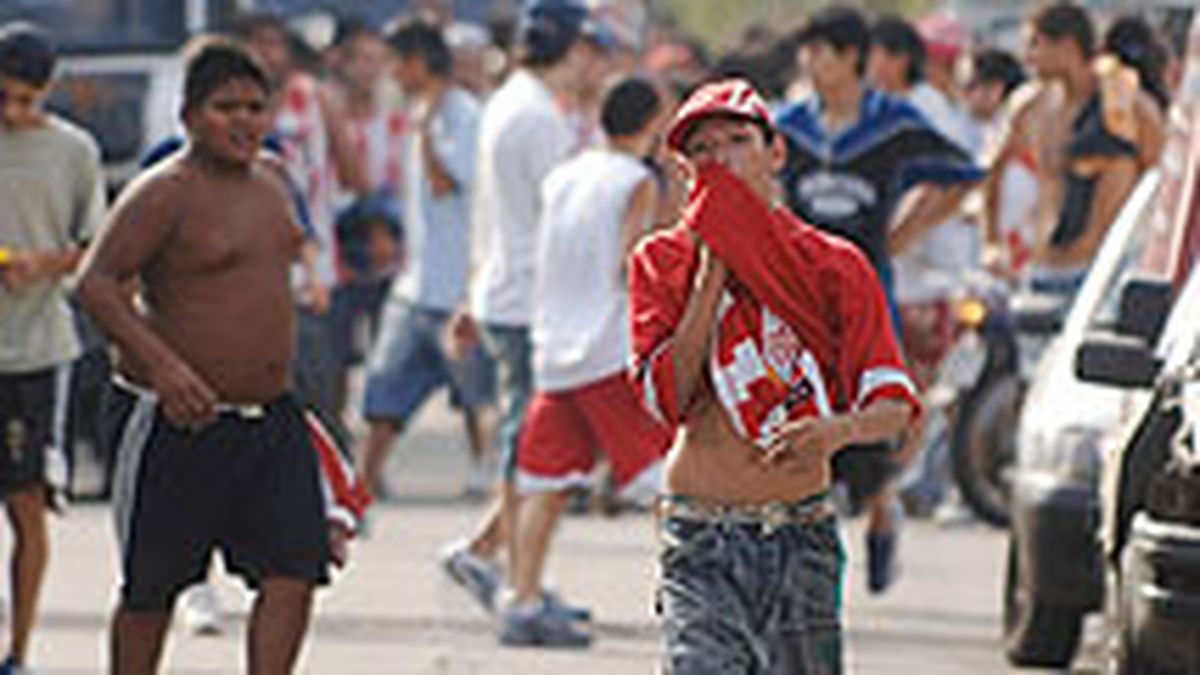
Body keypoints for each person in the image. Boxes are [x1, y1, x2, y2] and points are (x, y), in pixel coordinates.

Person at [631, 77, 920, 675]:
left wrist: (834, 431)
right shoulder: (662, 263)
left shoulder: (832, 266)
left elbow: (893, 406)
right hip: (699, 535)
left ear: (776, 152)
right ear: (685, 171)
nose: (721, 160)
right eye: (703, 150)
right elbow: (668, 400)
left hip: (800, 535)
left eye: (737, 140)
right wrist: (711, 279)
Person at [76, 40, 341, 675]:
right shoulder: (164, 191)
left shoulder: (275, 180)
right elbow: (96, 283)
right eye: (227, 108)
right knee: (152, 588)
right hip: (178, 421)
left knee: (294, 568)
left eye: (256, 106)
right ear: (191, 115)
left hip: (270, 416)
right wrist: (164, 366)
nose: (245, 120)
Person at [775, 6, 981, 593]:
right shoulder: (790, 126)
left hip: (870, 292)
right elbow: (758, 182)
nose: (810, 64)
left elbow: (965, 173)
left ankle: (882, 508)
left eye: (821, 52)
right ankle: (811, 549)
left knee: (873, 407)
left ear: (851, 58)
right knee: (803, 409)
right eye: (806, 52)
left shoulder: (892, 123)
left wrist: (906, 233)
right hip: (804, 299)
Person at [439, 0, 612, 614]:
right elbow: (565, 219)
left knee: (546, 443)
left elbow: (492, 215)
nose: (596, 62)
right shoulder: (537, 116)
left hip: (513, 291)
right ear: (566, 48)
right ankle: (513, 579)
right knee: (536, 447)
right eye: (590, 49)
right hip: (532, 301)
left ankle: (492, 558)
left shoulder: (516, 105)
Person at [500, 76, 670, 647]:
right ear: (650, 123)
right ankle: (694, 597)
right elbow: (631, 264)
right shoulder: (638, 182)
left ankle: (521, 601)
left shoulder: (564, 176)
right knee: (666, 483)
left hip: (554, 348)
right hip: (607, 347)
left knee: (543, 481)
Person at [0, 22, 106, 675]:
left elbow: (95, 246)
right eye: (0, 97)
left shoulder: (74, 152)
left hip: (36, 352)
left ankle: (19, 648)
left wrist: (43, 263)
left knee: (27, 505)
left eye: (24, 100)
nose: (11, 112)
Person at [357, 18, 496, 501]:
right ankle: (364, 483)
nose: (392, 74)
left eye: (396, 62)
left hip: (455, 284)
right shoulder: (422, 110)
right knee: (384, 387)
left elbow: (447, 182)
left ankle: (492, 480)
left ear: (416, 62)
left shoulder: (463, 114)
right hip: (416, 281)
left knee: (477, 393)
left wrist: (426, 135)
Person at [986, 2, 1164, 298]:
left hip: (1102, 276)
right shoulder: (1029, 107)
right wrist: (991, 243)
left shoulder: (1128, 106)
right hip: (1043, 270)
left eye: (1035, 44)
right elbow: (992, 170)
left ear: (1067, 45)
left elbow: (1160, 182)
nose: (1026, 57)